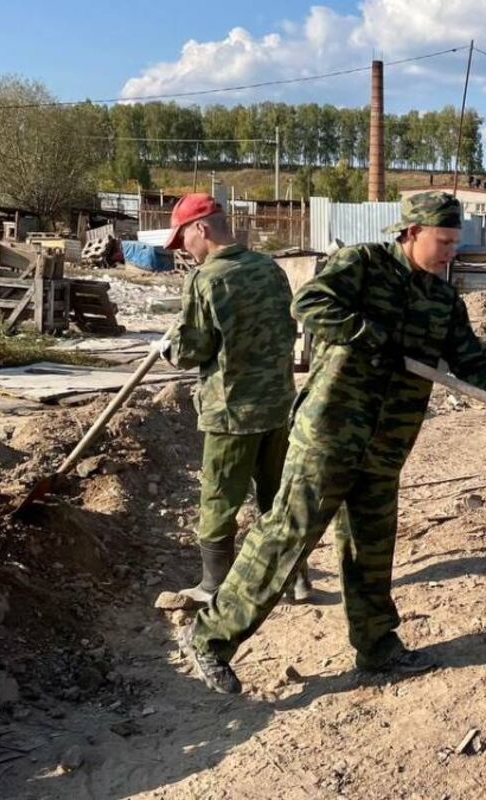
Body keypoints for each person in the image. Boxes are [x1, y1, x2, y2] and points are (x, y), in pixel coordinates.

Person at [178, 192, 486, 694]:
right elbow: (308, 303)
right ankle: (209, 637)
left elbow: (474, 363)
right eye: (442, 242)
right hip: (329, 433)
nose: (448, 253)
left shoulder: (443, 301)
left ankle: (377, 647)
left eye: (453, 244)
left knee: (370, 548)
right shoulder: (362, 264)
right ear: (411, 233)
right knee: (288, 534)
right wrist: (364, 332)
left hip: (386, 444)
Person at [157, 194, 306, 606]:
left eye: (183, 239)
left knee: (219, 497)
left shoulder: (207, 279)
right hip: (278, 405)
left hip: (232, 410)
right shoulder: (270, 268)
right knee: (277, 497)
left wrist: (168, 348)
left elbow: (192, 351)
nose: (183, 250)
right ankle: (295, 580)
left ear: (201, 228)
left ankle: (212, 585)